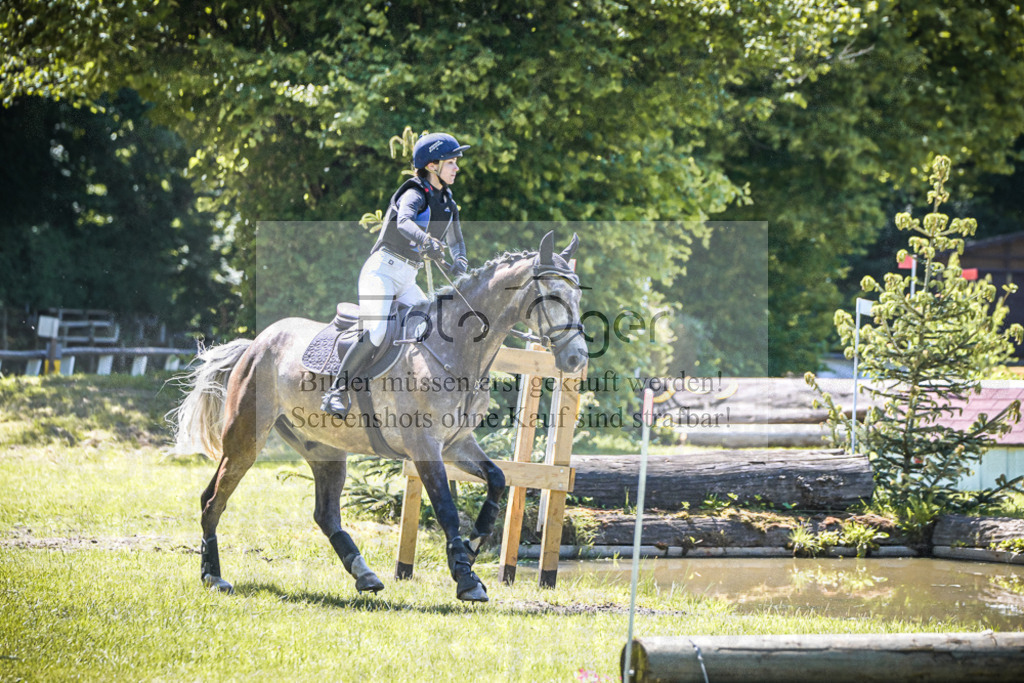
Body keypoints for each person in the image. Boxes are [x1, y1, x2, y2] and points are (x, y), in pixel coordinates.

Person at [321, 132, 471, 417]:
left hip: (407, 278)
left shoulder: (448, 203)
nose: (456, 168)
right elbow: (403, 222)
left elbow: (456, 240)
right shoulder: (414, 193)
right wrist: (427, 242)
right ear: (431, 166)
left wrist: (460, 261)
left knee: (431, 331)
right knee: (377, 331)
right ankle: (335, 393)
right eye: (451, 162)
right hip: (382, 271)